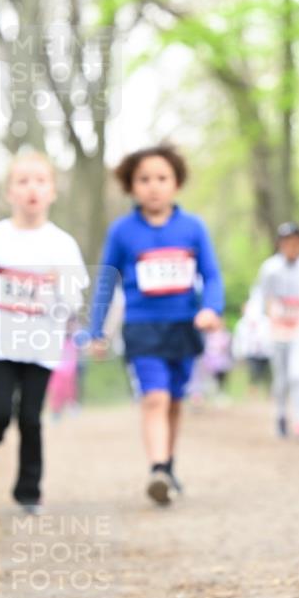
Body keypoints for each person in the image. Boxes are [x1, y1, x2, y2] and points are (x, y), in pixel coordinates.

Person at [89, 145, 224, 505]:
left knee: (175, 402)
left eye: (162, 178)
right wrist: (96, 328)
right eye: (144, 179)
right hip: (142, 327)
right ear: (131, 186)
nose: (153, 186)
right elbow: (106, 281)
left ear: (176, 183)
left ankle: (167, 465)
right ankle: (156, 469)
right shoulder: (122, 232)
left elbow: (211, 276)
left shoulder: (193, 228)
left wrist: (211, 308)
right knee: (155, 397)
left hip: (183, 326)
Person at [0, 152, 88, 513]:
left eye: (40, 181)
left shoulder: (62, 244)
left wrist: (58, 285)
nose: (31, 188)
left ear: (52, 191)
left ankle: (28, 491)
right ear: (9, 192)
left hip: (42, 344)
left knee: (31, 419)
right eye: (23, 181)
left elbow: (74, 300)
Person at [249, 222, 299, 439]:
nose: (292, 247)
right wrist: (255, 318)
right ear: (280, 244)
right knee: (282, 377)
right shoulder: (270, 268)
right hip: (277, 328)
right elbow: (259, 294)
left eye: (296, 243)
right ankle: (281, 414)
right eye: (287, 243)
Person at [232, 302, 273, 393]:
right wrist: (238, 354)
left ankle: (269, 392)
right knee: (253, 373)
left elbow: (269, 337)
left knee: (268, 375)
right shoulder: (241, 324)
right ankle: (253, 392)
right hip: (250, 352)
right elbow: (238, 340)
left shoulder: (265, 321)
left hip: (266, 352)